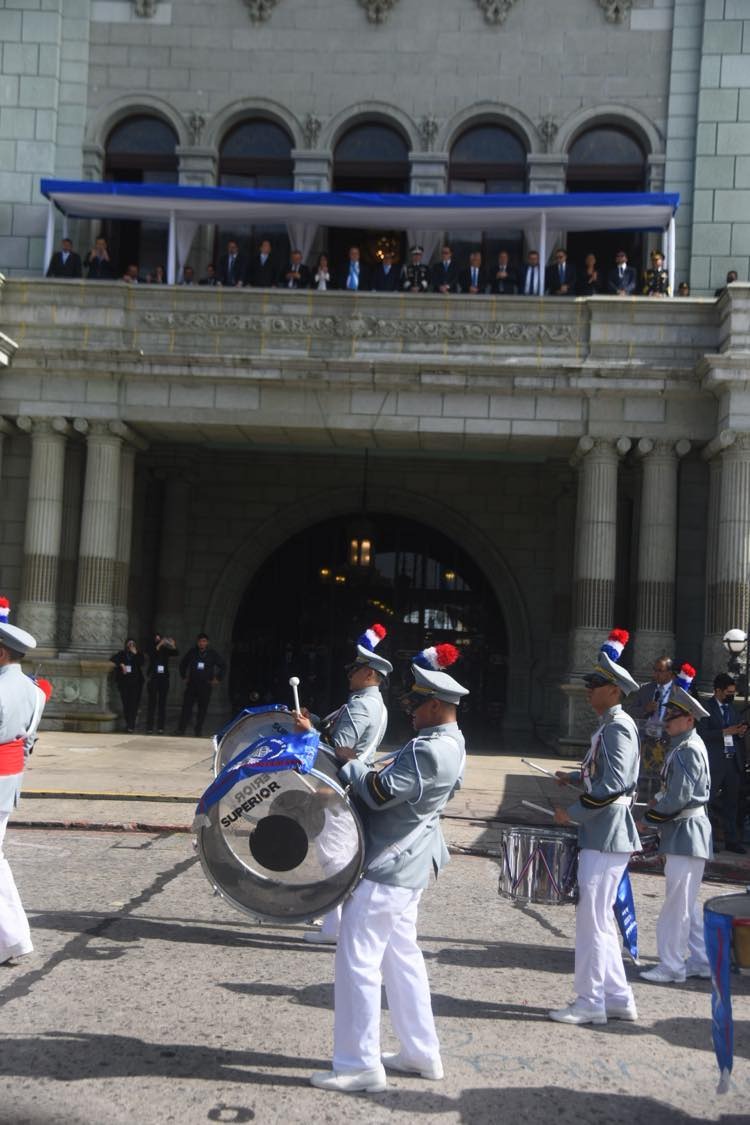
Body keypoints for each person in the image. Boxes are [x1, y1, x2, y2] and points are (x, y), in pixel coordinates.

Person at [310, 644, 467, 1094]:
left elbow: (378, 793)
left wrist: (351, 763)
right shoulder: (447, 741)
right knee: (402, 960)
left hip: (390, 865)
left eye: (416, 704)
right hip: (410, 865)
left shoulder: (431, 750)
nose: (409, 711)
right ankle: (421, 1052)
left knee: (357, 962)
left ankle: (358, 1065)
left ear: (437, 704)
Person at [549, 628, 641, 1025]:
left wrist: (575, 811)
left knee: (592, 920)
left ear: (615, 691)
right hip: (604, 830)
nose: (590, 689)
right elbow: (602, 776)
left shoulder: (618, 727)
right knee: (599, 918)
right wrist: (575, 777)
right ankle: (618, 998)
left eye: (597, 684)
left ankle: (590, 1002)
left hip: (605, 831)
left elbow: (616, 783)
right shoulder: (608, 726)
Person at [294, 624, 393, 944]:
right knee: (338, 854)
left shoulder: (361, 705)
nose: (348, 673)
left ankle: (336, 928)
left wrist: (308, 731)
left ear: (368, 674)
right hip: (350, 786)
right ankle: (336, 921)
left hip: (338, 787)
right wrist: (318, 721)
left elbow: (337, 752)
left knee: (333, 857)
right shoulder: (373, 703)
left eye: (354, 668)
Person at [639, 664, 712, 983]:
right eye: (666, 717)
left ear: (689, 719)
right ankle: (702, 960)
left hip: (686, 831)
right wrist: (657, 801)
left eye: (671, 718)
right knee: (687, 901)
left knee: (676, 905)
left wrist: (648, 819)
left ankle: (671, 966)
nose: (666, 722)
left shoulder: (686, 750)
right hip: (687, 832)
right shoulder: (685, 747)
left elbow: (679, 798)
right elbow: (675, 791)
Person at [0, 598, 50, 968]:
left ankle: (15, 940)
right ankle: (13, 940)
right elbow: (28, 740)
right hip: (11, 778)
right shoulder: (34, 690)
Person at [697, 672, 747, 854]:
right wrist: (725, 732)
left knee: (731, 803)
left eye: (733, 692)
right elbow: (702, 734)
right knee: (707, 802)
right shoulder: (706, 708)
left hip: (732, 761)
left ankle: (732, 840)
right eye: (728, 692)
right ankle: (708, 839)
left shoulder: (732, 709)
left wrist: (740, 732)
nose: (731, 696)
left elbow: (735, 731)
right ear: (718, 691)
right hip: (715, 762)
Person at [626, 656, 675, 793]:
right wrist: (645, 709)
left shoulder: (679, 692)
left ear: (670, 673)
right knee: (643, 779)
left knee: (662, 779)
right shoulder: (646, 689)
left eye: (660, 671)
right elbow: (630, 711)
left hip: (667, 742)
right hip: (646, 741)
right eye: (655, 670)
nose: (655, 674)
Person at [177, 633, 226, 737]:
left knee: (202, 709)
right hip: (192, 684)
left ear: (207, 642)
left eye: (204, 641)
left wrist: (218, 678)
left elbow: (223, 665)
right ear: (197, 642)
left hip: (205, 685)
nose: (202, 643)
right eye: (200, 641)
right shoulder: (192, 652)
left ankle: (198, 730)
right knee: (186, 707)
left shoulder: (212, 653)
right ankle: (181, 729)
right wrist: (184, 676)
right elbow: (183, 664)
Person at [145, 632, 178, 734]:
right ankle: (149, 727)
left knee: (162, 704)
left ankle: (160, 727)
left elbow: (176, 653)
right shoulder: (151, 647)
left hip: (163, 678)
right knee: (152, 703)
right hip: (154, 677)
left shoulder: (165, 649)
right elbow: (152, 654)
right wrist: (159, 645)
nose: (159, 640)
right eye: (157, 638)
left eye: (160, 638)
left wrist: (172, 645)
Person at [110, 638, 144, 733]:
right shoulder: (122, 654)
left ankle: (131, 726)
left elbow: (141, 663)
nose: (131, 646)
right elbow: (113, 659)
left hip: (135, 683)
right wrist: (121, 664)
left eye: (133, 644)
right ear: (126, 645)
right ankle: (128, 723)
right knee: (126, 704)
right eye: (129, 644)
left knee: (133, 705)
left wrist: (136, 653)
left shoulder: (138, 654)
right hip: (124, 682)